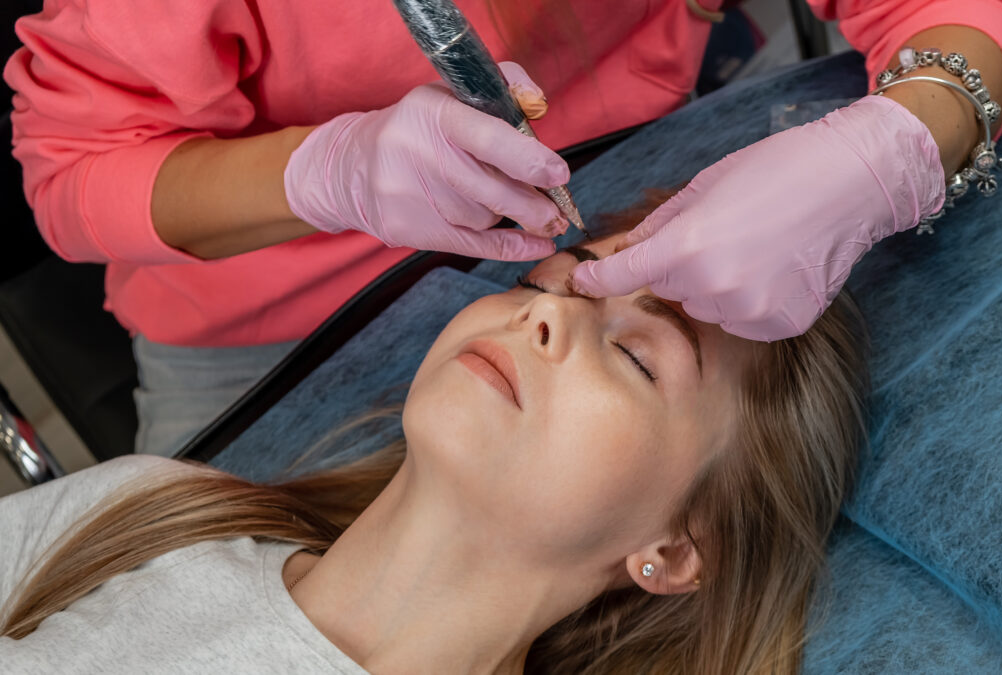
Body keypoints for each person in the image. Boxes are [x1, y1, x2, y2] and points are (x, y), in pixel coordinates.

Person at [4, 0, 1002, 456]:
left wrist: (899, 144)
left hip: (599, 205)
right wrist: (320, 172)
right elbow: (72, 177)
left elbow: (946, 11)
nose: (533, 327)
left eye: (638, 362)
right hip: (261, 322)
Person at [0, 226, 870, 674]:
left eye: (640, 356)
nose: (549, 313)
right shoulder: (149, 509)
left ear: (676, 548)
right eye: (547, 280)